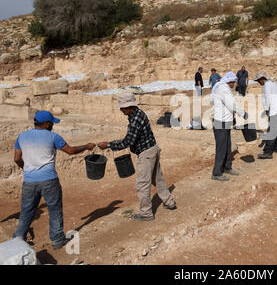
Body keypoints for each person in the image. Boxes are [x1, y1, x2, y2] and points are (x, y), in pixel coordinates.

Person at [13, 111, 96, 249]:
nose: (53, 125)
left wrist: (26, 169)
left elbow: (16, 158)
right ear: (46, 124)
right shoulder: (53, 136)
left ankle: (18, 239)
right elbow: (70, 151)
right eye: (51, 123)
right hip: (49, 179)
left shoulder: (22, 136)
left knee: (27, 210)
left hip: (29, 181)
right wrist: (86, 147)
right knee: (54, 208)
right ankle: (57, 240)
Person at [97, 93, 176, 221]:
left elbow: (127, 142)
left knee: (142, 184)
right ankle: (169, 201)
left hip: (146, 154)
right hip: (153, 149)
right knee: (157, 179)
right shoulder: (138, 113)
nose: (121, 110)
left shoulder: (135, 120)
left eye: (122, 108)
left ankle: (146, 213)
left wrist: (108, 145)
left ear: (128, 107)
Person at [211, 72, 248, 181]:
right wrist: (242, 113)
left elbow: (227, 107)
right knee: (221, 148)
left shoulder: (224, 88)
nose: (234, 84)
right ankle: (216, 173)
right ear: (230, 81)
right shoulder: (223, 89)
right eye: (234, 82)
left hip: (225, 121)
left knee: (227, 146)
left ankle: (227, 167)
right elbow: (231, 104)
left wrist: (233, 118)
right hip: (220, 122)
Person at [254, 71, 277, 159]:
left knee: (271, 132)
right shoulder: (274, 83)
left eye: (258, 81)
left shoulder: (266, 85)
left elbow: (267, 98)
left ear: (262, 79)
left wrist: (267, 110)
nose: (258, 82)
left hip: (274, 111)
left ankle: (268, 152)